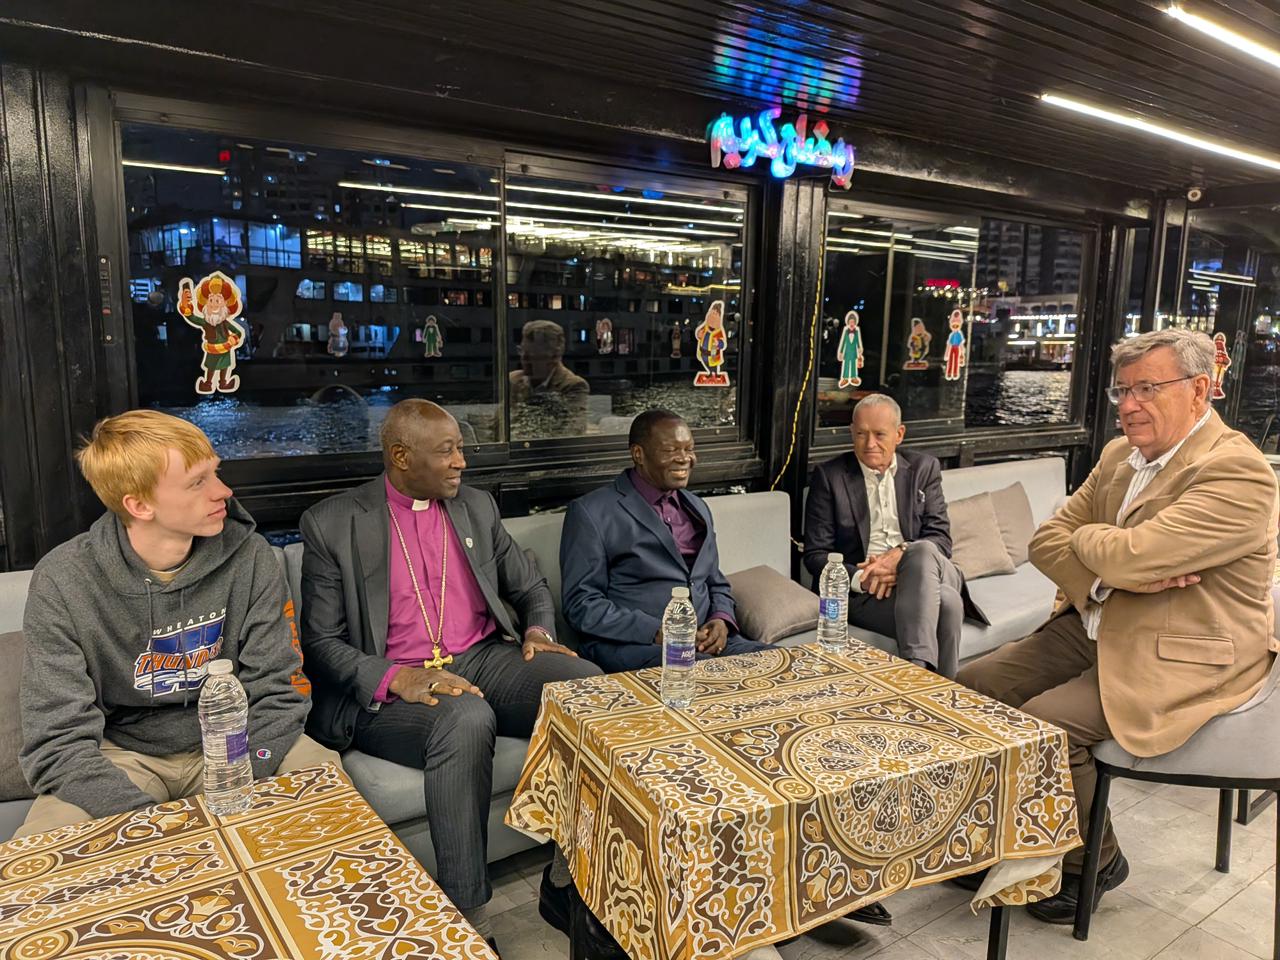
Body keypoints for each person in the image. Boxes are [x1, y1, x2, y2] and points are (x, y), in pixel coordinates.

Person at [956, 328, 1278, 924]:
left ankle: (1094, 861)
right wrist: (1106, 572)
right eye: (1122, 391)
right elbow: (1045, 541)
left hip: (1181, 652)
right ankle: (1006, 834)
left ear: (1199, 390)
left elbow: (1129, 555)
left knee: (1047, 725)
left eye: (1147, 388)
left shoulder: (1239, 472)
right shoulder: (1115, 457)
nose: (1129, 405)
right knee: (974, 689)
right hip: (1097, 620)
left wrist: (1095, 544)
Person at [298, 398, 617, 957]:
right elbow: (322, 643)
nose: (461, 463)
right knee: (465, 718)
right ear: (401, 456)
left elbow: (530, 586)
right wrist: (396, 677)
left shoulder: (475, 506)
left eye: (461, 449)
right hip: (392, 685)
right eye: (447, 451)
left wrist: (538, 630)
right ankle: (469, 919)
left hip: (481, 657)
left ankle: (568, 881)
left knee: (586, 687)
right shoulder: (332, 523)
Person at [17, 410, 336, 838]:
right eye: (197, 482)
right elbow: (57, 739)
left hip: (238, 740)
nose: (223, 491)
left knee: (330, 802)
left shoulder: (251, 557)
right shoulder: (63, 580)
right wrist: (155, 824)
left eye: (215, 472)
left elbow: (279, 692)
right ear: (139, 505)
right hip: (120, 756)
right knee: (45, 855)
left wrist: (243, 775)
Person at [560, 409, 772, 672]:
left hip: (703, 643)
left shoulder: (697, 507)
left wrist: (721, 619)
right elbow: (581, 604)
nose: (684, 458)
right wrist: (656, 631)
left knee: (783, 663)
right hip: (634, 645)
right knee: (706, 675)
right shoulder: (591, 512)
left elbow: (714, 581)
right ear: (638, 454)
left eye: (689, 449)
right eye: (671, 450)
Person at [804, 394, 987, 678]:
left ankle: (916, 671)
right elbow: (816, 554)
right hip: (870, 591)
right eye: (861, 434)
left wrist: (902, 556)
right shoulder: (830, 477)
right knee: (949, 604)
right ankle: (938, 692)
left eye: (879, 434)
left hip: (930, 572)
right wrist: (864, 578)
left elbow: (940, 539)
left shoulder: (923, 469)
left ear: (899, 434)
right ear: (852, 432)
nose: (869, 444)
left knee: (921, 551)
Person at [508, 319, 588, 437]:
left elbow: (573, 432)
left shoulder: (574, 386)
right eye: (522, 351)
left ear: (554, 356)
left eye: (532, 353)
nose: (523, 358)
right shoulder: (513, 380)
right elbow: (497, 426)